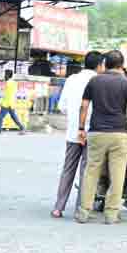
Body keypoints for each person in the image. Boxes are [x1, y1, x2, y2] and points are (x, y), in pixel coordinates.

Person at [75, 50, 127, 225]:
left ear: (105, 64)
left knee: (91, 172)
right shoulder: (125, 83)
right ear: (122, 65)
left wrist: (81, 128)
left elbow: (84, 106)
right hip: (119, 134)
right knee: (117, 174)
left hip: (96, 132)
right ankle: (111, 214)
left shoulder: (94, 80)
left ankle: (84, 211)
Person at [52, 51, 104, 218]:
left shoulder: (71, 79)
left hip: (73, 131)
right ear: (99, 65)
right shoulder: (99, 81)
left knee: (68, 169)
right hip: (92, 131)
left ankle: (58, 207)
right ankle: (80, 208)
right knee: (86, 171)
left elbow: (62, 106)